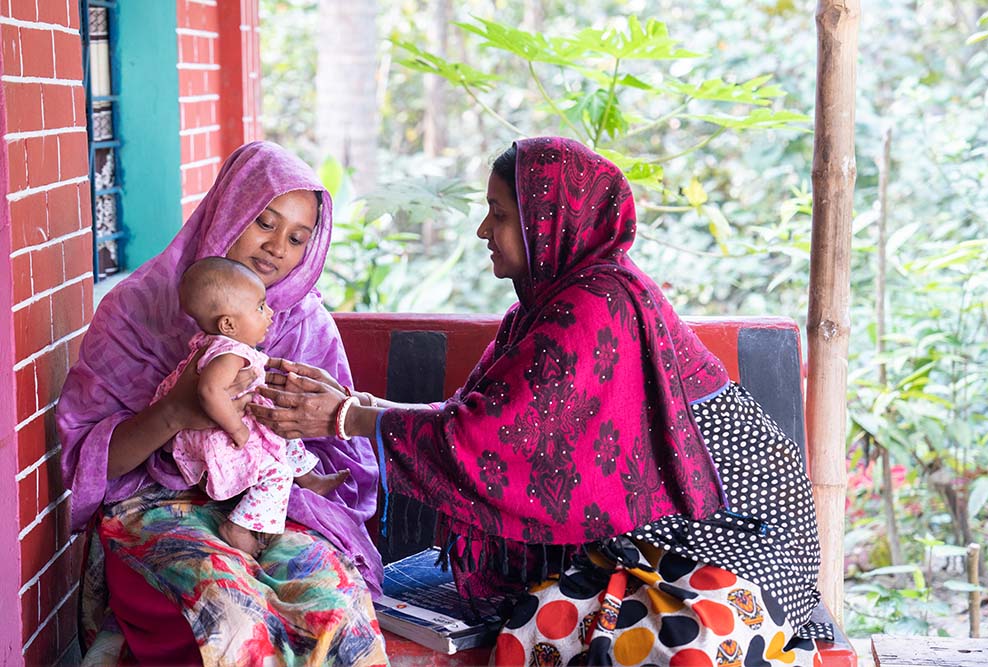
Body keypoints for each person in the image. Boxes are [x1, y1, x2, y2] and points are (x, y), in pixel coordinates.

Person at [254, 137, 830, 665]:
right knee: (536, 617)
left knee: (570, 633)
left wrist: (346, 417)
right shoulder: (550, 305)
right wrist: (356, 405)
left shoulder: (594, 307)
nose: (483, 230)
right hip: (654, 548)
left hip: (736, 560)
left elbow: (488, 442)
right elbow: (477, 419)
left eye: (500, 215)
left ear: (548, 224)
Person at [57, 141, 388, 665]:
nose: (278, 247)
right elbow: (90, 463)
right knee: (232, 614)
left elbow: (341, 460)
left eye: (298, 237)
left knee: (333, 605)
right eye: (264, 221)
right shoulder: (136, 310)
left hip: (278, 510)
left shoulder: (305, 326)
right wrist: (173, 413)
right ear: (229, 208)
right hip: (157, 507)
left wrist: (285, 437)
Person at [157, 256, 349, 556]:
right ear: (229, 324)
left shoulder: (221, 346)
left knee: (283, 430)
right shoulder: (229, 353)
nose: (270, 312)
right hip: (220, 436)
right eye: (260, 307)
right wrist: (236, 428)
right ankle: (240, 527)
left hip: (230, 425)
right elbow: (210, 390)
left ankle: (310, 479)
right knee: (276, 474)